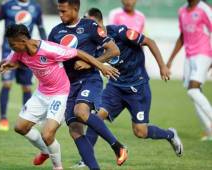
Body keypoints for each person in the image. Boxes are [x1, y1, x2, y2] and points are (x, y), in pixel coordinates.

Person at [0, 24, 119, 170]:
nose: (11, 47)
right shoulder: (18, 52)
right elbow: (4, 62)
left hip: (60, 94)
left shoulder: (49, 49)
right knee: (20, 127)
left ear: (22, 41)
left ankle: (57, 167)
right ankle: (45, 150)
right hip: (42, 93)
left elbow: (79, 53)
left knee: (47, 134)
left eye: (12, 44)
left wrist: (101, 66)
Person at [72, 8, 184, 168]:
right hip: (115, 87)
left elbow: (149, 41)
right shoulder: (92, 41)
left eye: (90, 22)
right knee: (96, 117)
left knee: (140, 132)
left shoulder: (120, 32)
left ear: (99, 22)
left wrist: (162, 66)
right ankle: (87, 159)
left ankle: (170, 134)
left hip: (137, 86)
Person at [48, 0, 128, 169]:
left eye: (64, 11)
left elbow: (114, 50)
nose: (60, 15)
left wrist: (90, 63)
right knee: (75, 130)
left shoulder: (90, 26)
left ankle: (118, 146)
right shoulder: (55, 32)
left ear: (75, 9)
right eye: (59, 11)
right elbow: (50, 60)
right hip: (68, 86)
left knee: (81, 112)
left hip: (89, 80)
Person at [0, 0, 47, 131]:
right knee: (7, 84)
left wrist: (45, 46)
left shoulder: (35, 7)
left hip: (28, 52)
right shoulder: (7, 5)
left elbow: (41, 28)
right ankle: (3, 118)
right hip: (9, 51)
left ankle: (28, 118)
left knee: (27, 87)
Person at [167, 0, 212, 141]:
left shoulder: (205, 9)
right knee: (193, 93)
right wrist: (170, 60)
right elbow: (182, 36)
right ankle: (209, 130)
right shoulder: (182, 11)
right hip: (189, 56)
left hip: (203, 54)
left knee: (194, 90)